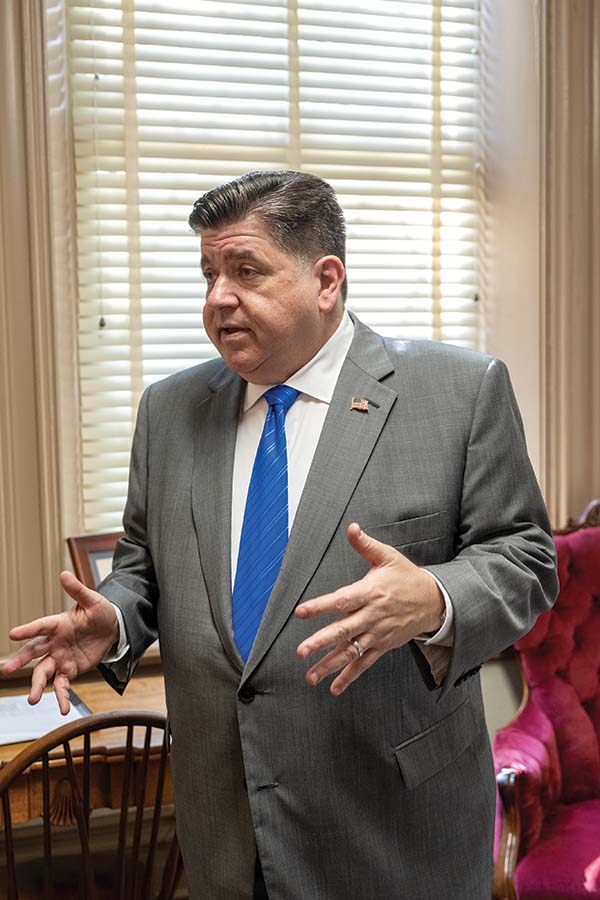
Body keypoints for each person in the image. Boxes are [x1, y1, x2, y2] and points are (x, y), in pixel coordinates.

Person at [4, 171, 558, 900]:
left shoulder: (458, 392)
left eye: (245, 271)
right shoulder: (170, 411)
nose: (217, 298)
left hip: (394, 830)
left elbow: (526, 559)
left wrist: (434, 597)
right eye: (208, 273)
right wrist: (115, 617)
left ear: (326, 280)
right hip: (227, 832)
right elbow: (144, 564)